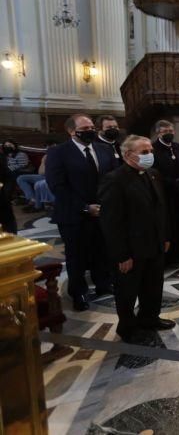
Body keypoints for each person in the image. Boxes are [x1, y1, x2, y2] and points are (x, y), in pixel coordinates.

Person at [99, 135, 175, 342]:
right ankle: (127, 328)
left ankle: (150, 318)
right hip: (131, 249)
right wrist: (122, 255)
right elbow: (111, 222)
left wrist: (165, 236)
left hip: (155, 244)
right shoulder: (115, 179)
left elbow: (161, 208)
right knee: (127, 291)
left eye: (150, 151)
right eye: (144, 152)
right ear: (127, 155)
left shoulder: (153, 174)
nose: (150, 155)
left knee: (153, 286)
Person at [46, 114, 116, 311]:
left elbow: (112, 179)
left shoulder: (104, 149)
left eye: (92, 127)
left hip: (102, 212)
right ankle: (78, 293)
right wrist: (85, 207)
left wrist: (107, 204)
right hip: (73, 214)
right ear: (71, 131)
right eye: (85, 128)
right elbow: (58, 186)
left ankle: (103, 283)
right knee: (76, 256)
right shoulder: (59, 153)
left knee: (101, 251)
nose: (90, 131)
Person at [152, 120, 179, 262]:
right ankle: (170, 256)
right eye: (165, 131)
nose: (168, 134)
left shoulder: (178, 147)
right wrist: (173, 184)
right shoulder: (153, 149)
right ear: (158, 132)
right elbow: (156, 172)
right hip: (165, 193)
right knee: (170, 223)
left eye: (170, 131)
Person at [17, 139, 58, 211]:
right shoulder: (46, 156)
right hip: (44, 176)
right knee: (21, 178)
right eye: (47, 147)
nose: (49, 148)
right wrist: (43, 161)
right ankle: (33, 199)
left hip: (54, 177)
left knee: (40, 183)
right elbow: (41, 172)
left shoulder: (61, 155)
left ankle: (38, 206)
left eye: (51, 146)